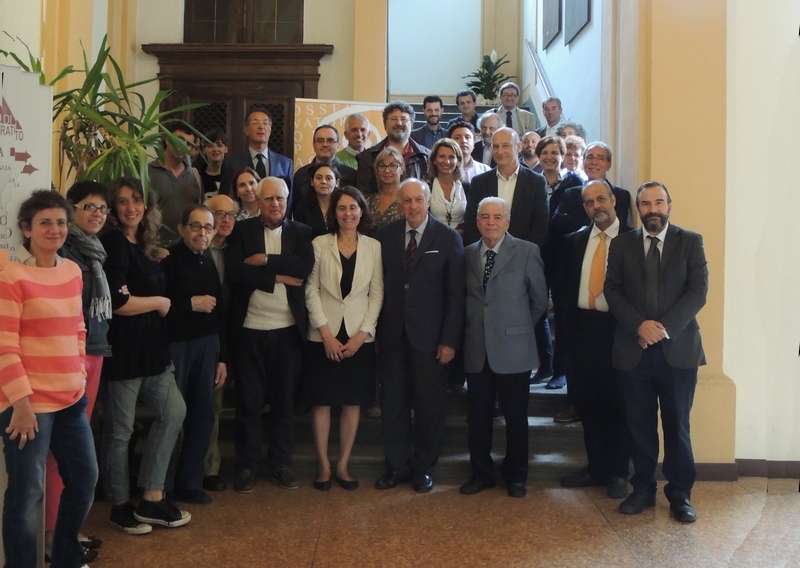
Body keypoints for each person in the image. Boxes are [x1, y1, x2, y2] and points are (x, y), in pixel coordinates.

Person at [0, 190, 98, 568]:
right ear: (26, 229)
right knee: (27, 494)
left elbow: (77, 325)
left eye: (60, 222)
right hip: (28, 408)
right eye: (45, 222)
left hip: (72, 400)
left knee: (85, 480)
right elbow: (5, 347)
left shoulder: (72, 271)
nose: (55, 229)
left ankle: (66, 559)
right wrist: (21, 406)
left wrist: (80, 371)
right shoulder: (11, 277)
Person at [604, 181, 708, 523]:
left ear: (669, 205)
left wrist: (661, 328)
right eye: (646, 203)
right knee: (640, 425)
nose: (653, 209)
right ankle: (643, 491)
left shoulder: (690, 242)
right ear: (637, 208)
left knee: (678, 424)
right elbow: (613, 291)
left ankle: (680, 495)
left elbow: (697, 292)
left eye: (659, 202)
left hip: (678, 352)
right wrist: (640, 326)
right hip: (634, 351)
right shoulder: (621, 245)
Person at [100, 176, 190, 534]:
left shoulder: (144, 243)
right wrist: (158, 302)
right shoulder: (114, 243)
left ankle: (152, 498)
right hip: (125, 351)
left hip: (154, 351)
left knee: (174, 411)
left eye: (137, 200)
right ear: (113, 208)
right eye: (122, 202)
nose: (130, 208)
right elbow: (118, 302)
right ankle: (119, 504)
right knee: (120, 432)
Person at [374, 179, 465, 494]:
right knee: (394, 404)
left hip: (431, 340)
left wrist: (449, 341)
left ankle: (424, 468)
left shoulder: (448, 237)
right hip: (392, 336)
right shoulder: (384, 236)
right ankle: (396, 466)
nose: (413, 206)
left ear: (429, 201)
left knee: (429, 406)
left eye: (418, 200)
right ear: (399, 204)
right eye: (407, 201)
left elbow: (456, 296)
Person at [225, 177, 314, 494]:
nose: (274, 204)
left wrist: (263, 261)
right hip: (249, 329)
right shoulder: (242, 230)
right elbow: (235, 271)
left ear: (287, 200)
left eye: (280, 198)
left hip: (287, 331)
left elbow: (303, 268)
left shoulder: (301, 233)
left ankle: (281, 463)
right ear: (258, 202)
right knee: (248, 402)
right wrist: (278, 275)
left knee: (283, 402)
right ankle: (246, 466)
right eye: (268, 199)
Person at [459, 197, 547, 498]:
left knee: (516, 416)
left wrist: (516, 328)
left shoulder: (526, 251)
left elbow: (538, 301)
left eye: (498, 217)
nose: (491, 222)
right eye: (485, 217)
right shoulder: (468, 254)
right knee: (479, 417)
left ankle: (516, 476)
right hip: (476, 348)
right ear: (477, 221)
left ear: (507, 221)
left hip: (514, 348)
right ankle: (481, 473)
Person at [44, 181, 112, 564]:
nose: (97, 214)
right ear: (72, 209)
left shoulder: (95, 252)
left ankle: (69, 528)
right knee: (64, 452)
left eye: (102, 209)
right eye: (89, 207)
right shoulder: (65, 252)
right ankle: (55, 534)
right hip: (72, 356)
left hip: (95, 350)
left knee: (76, 451)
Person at [304, 187, 383, 492]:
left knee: (352, 401)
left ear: (362, 211)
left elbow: (377, 295)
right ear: (333, 213)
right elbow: (310, 291)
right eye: (341, 208)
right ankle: (324, 465)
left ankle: (343, 464)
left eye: (353, 207)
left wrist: (363, 334)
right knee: (322, 401)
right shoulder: (319, 244)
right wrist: (324, 332)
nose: (347, 213)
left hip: (358, 336)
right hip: (323, 334)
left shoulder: (374, 247)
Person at [557, 180, 632, 499]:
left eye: (601, 199)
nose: (596, 206)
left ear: (613, 200)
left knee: (617, 404)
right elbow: (562, 293)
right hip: (583, 330)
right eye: (589, 202)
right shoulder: (574, 241)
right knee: (588, 404)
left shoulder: (633, 241)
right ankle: (596, 468)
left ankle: (617, 472)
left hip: (620, 331)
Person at [162, 205, 227, 506]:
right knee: (173, 416)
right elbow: (159, 306)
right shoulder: (168, 260)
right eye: (196, 226)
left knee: (202, 416)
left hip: (208, 346)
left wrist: (222, 357)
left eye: (208, 228)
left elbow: (220, 311)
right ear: (182, 228)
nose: (202, 233)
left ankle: (189, 483)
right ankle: (162, 487)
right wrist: (190, 304)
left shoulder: (208, 260)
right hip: (177, 345)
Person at [202, 194, 238, 493]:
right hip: (200, 336)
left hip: (231, 334)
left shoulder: (236, 249)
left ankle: (210, 468)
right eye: (219, 213)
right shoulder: (197, 249)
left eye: (231, 214)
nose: (226, 219)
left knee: (216, 405)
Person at [219, 109, 293, 206]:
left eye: (265, 123)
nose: (261, 127)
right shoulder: (231, 164)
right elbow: (224, 199)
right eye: (255, 122)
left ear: (270, 130)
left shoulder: (285, 164)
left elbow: (290, 200)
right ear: (246, 130)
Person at [356, 101, 431, 195]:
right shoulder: (367, 158)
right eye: (393, 119)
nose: (399, 123)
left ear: (411, 124)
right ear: (384, 125)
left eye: (403, 119)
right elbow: (363, 196)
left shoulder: (427, 157)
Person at [148, 123, 203, 246]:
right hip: (156, 246)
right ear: (167, 140)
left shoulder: (194, 175)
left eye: (189, 144)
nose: (183, 146)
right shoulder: (148, 171)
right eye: (179, 140)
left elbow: (200, 210)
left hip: (188, 247)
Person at [292, 124, 356, 211]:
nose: (325, 144)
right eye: (320, 140)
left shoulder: (351, 175)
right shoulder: (301, 174)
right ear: (314, 145)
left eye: (330, 140)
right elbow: (295, 208)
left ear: (338, 145)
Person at [426, 137, 467, 234]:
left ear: (458, 161)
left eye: (451, 157)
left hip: (462, 241)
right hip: (433, 239)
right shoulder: (426, 187)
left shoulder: (467, 187)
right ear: (434, 160)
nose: (447, 161)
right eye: (442, 156)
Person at [293, 163, 340, 238]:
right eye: (319, 178)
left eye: (328, 178)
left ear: (337, 182)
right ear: (312, 182)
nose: (323, 181)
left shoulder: (343, 206)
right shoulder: (302, 208)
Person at [366, 146, 406, 232]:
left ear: (402, 169)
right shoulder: (369, 201)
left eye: (392, 166)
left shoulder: (408, 200)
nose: (387, 170)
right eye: (382, 166)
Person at [193, 129, 229, 200]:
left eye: (219, 145)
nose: (215, 149)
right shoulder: (197, 177)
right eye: (210, 146)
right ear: (203, 150)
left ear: (226, 149)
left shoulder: (232, 174)